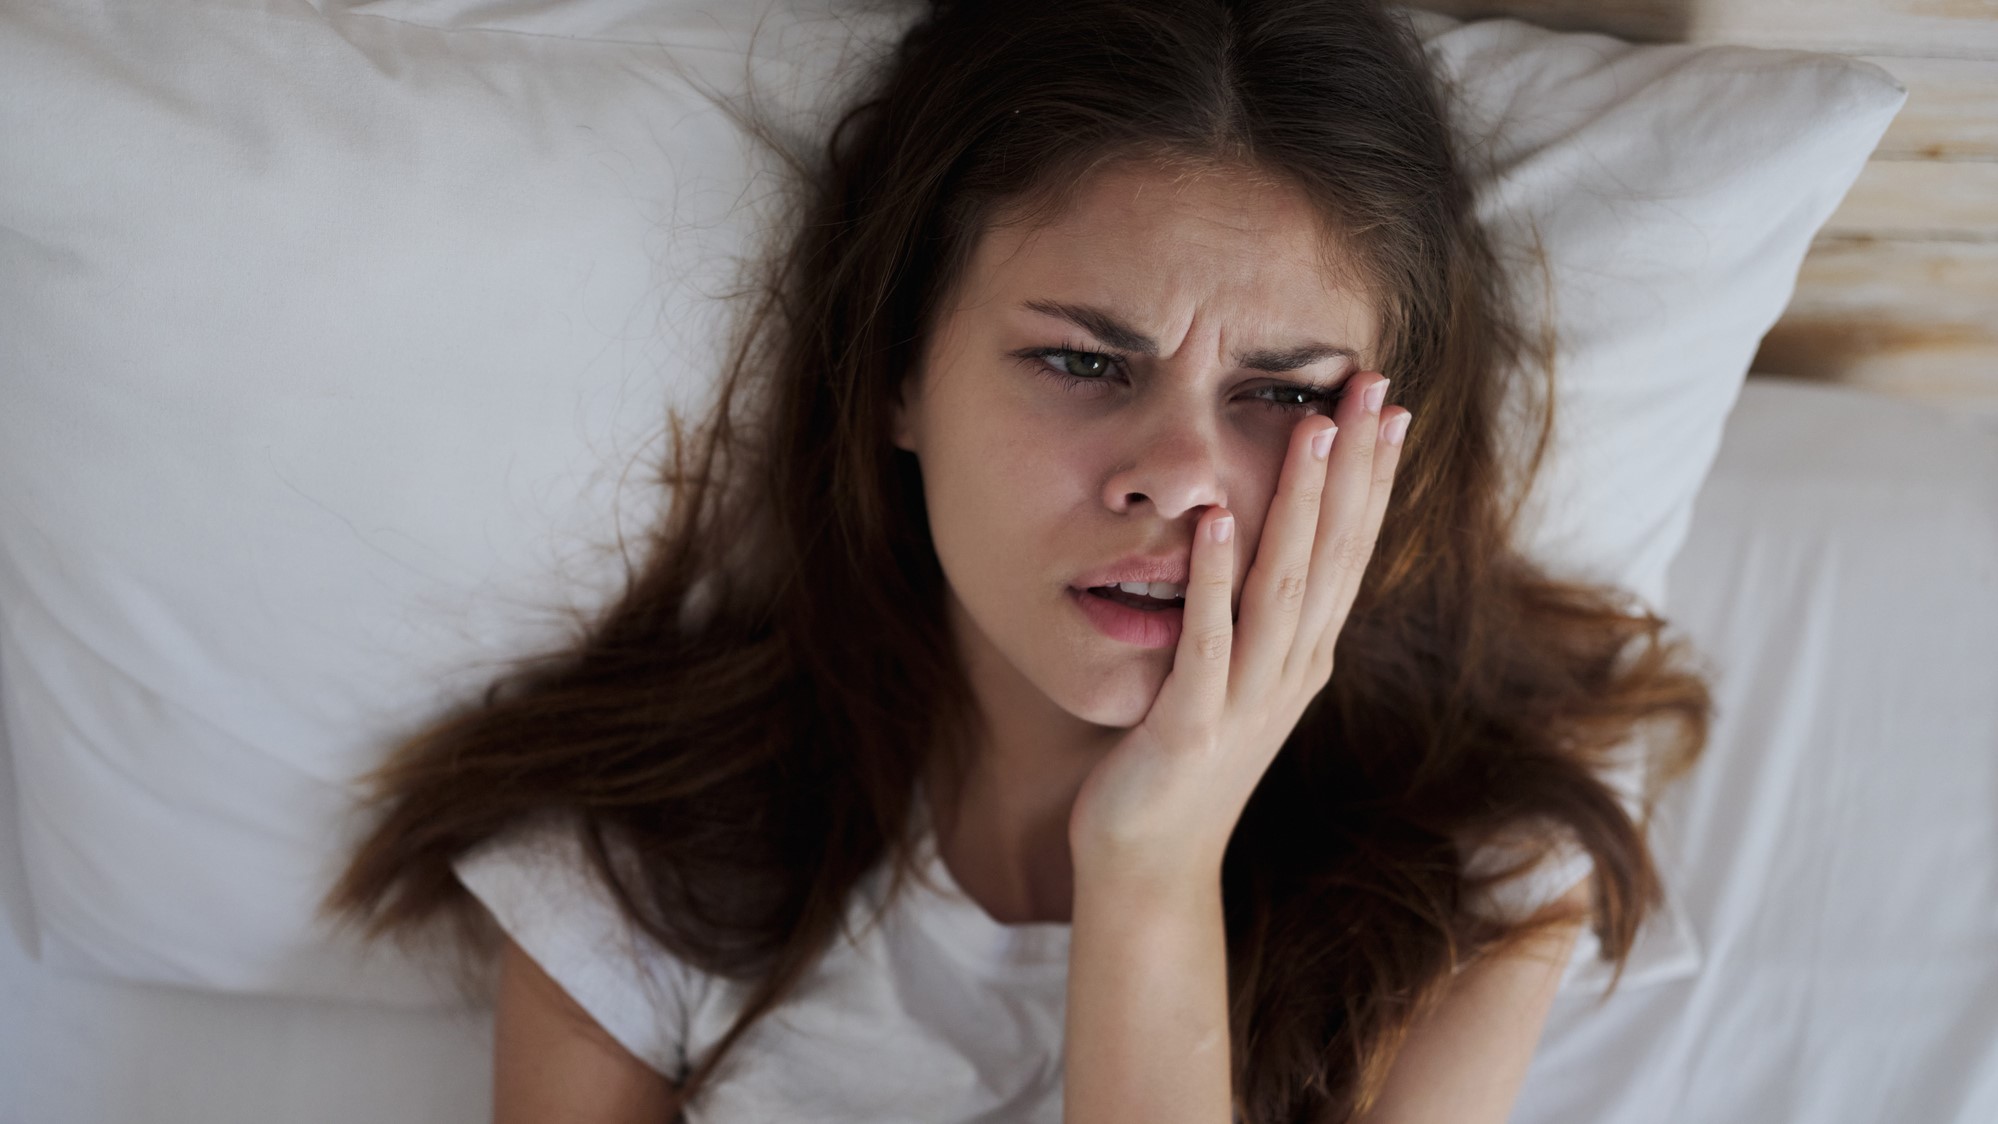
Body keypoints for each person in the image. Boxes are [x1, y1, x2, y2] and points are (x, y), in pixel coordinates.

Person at [326, 0, 1713, 1120]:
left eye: (1285, 394)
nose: (1171, 474)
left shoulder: (1471, 889)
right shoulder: (643, 867)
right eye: (1078, 361)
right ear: (895, 379)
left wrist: (1153, 866)